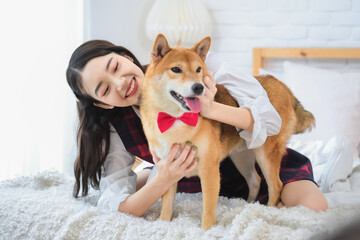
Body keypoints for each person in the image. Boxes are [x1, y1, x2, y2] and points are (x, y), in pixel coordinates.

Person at [66, 39, 328, 217]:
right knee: (143, 181)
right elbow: (117, 205)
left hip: (251, 160)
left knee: (315, 206)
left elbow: (271, 123)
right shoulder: (116, 127)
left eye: (115, 67)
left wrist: (212, 109)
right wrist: (164, 179)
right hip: (188, 180)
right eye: (105, 89)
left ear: (125, 56)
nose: (120, 82)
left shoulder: (192, 69)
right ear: (101, 104)